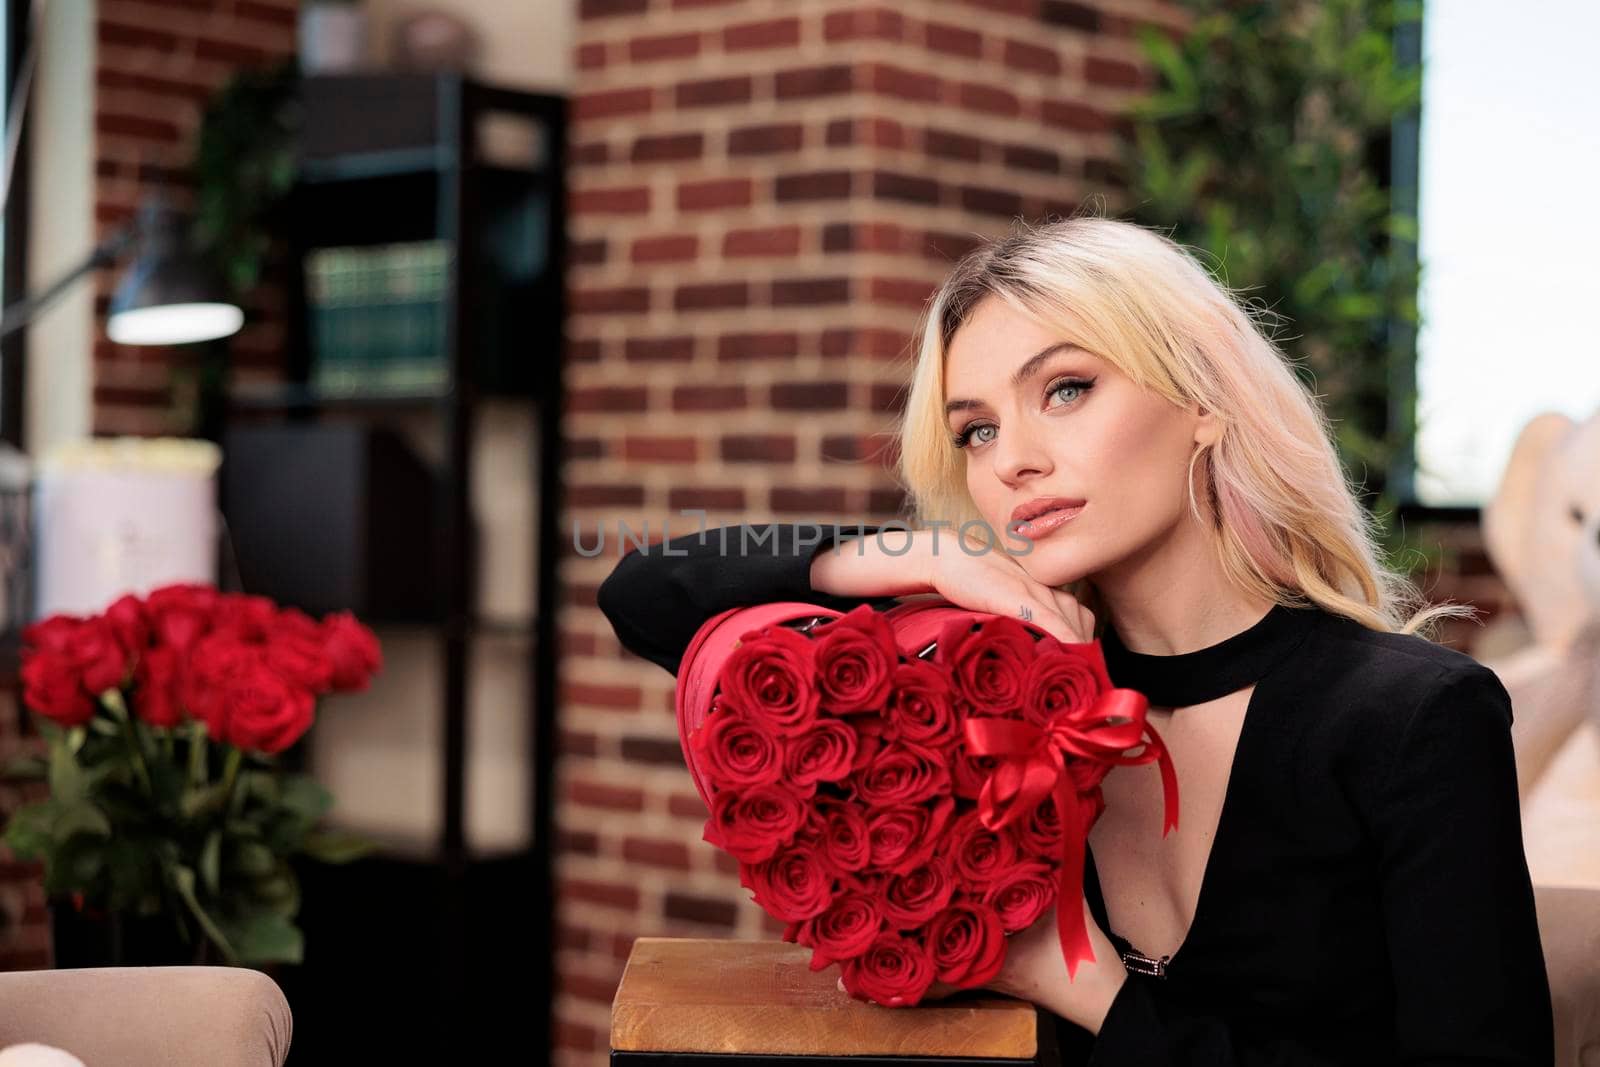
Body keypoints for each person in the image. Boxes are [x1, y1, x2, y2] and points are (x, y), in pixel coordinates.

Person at [596, 216, 1555, 1065]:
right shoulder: (986, 692)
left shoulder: (1413, 717)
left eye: (1064, 389)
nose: (1013, 459)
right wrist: (908, 554)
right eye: (974, 431)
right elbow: (640, 593)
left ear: (1204, 400)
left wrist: (1082, 982)